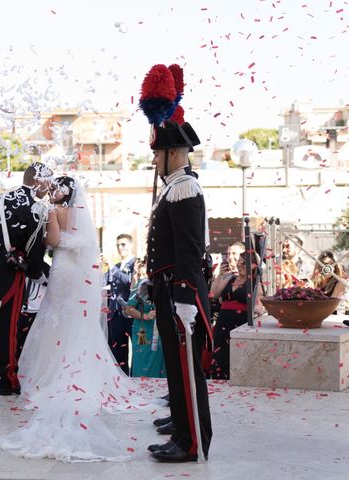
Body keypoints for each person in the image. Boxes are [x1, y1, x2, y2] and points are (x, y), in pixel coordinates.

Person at [0, 176, 151, 462]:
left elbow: (53, 241)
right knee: (70, 321)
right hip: (75, 272)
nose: (54, 190)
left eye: (58, 186)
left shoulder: (53, 211)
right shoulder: (77, 213)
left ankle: (51, 375)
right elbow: (80, 243)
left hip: (63, 270)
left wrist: (46, 221)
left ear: (66, 192)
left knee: (57, 318)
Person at [140, 63, 212, 462]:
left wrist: (184, 295)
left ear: (172, 154)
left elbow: (189, 250)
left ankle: (190, 441)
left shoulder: (184, 188)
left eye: (157, 155)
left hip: (180, 290)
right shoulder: (173, 188)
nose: (154, 162)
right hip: (169, 289)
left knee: (186, 371)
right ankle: (182, 432)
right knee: (177, 366)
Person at [0, 163, 51, 396]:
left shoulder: (1, 200)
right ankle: (8, 381)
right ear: (37, 180)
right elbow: (35, 248)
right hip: (10, 272)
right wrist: (36, 272)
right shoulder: (36, 208)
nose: (49, 187)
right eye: (47, 181)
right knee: (8, 329)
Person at [209, 253, 258, 380]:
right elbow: (214, 294)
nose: (239, 264)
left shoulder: (255, 283)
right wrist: (219, 275)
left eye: (243, 262)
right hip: (223, 321)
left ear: (253, 266)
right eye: (239, 261)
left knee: (236, 353)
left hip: (240, 321)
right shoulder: (230, 278)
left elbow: (259, 306)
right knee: (220, 353)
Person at [125, 263, 165, 378]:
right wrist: (146, 315)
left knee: (161, 366)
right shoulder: (141, 285)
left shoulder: (168, 285)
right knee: (143, 364)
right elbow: (129, 309)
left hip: (162, 333)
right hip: (143, 333)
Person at [105, 233, 137, 374]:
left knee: (137, 349)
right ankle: (121, 380)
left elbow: (130, 281)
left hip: (132, 313)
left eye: (123, 244)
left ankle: (136, 377)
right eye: (118, 245)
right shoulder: (116, 266)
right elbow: (106, 284)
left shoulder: (137, 263)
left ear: (131, 245)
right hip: (115, 314)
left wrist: (112, 267)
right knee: (117, 351)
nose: (120, 248)